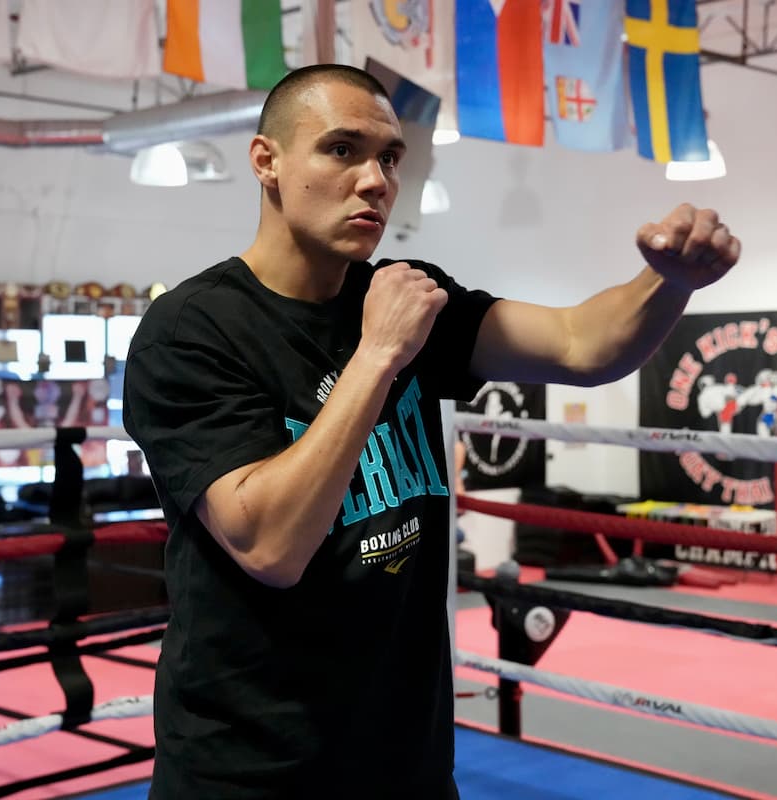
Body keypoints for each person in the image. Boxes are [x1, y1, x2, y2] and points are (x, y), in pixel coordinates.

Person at [123, 64, 740, 799]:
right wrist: (379, 353)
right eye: (342, 149)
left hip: (406, 760)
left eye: (389, 157)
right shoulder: (192, 331)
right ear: (268, 162)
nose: (377, 180)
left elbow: (582, 342)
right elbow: (269, 544)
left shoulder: (408, 295)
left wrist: (669, 282)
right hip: (254, 770)